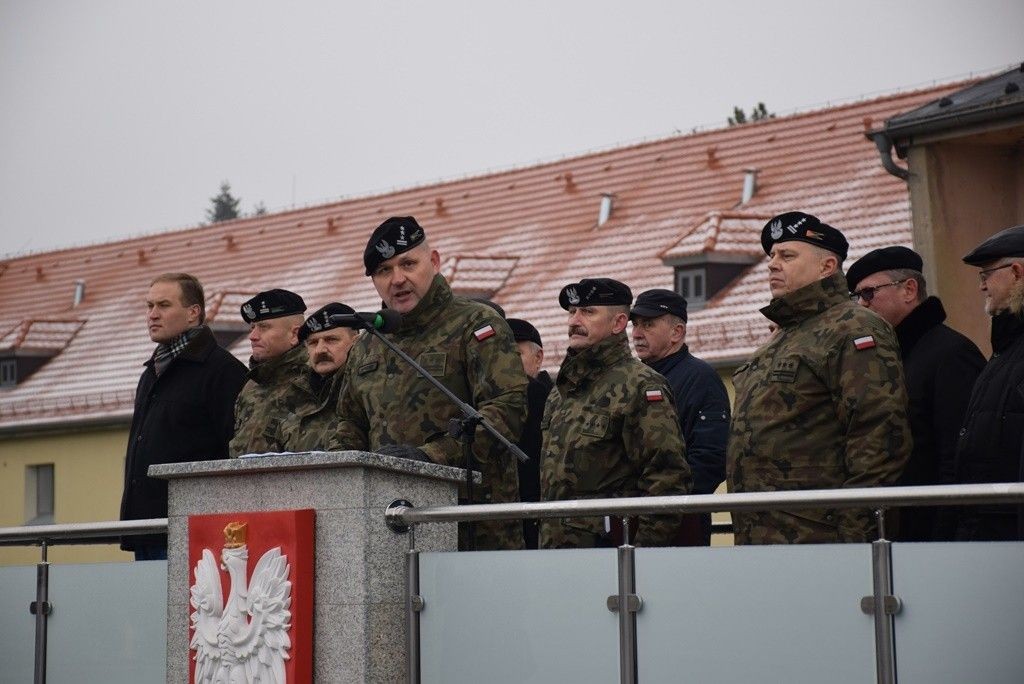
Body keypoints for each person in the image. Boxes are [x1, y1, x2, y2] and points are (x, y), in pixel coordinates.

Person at [324, 216, 527, 551]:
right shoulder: (367, 344)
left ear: (434, 261)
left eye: (408, 264)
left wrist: (428, 457)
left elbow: (506, 411)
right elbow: (348, 423)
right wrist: (340, 470)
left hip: (471, 526)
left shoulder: (475, 325)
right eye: (384, 271)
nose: (397, 280)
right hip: (388, 525)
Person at [727, 212, 911, 544]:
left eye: (787, 256)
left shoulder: (854, 327)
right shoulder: (785, 335)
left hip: (820, 534)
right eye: (772, 256)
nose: (772, 265)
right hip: (764, 532)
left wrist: (856, 537)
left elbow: (878, 435)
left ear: (826, 266)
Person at [539, 278, 692, 549]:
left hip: (612, 554)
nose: (574, 321)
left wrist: (639, 556)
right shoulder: (561, 391)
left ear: (619, 323)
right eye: (572, 312)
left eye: (588, 312)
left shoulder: (640, 385)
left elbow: (667, 479)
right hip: (556, 551)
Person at [847, 246, 984, 540]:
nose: (861, 304)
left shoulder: (951, 354)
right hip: (896, 526)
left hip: (933, 529)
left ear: (909, 290)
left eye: (869, 293)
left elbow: (959, 456)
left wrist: (946, 537)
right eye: (856, 297)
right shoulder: (885, 356)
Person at [120, 273, 247, 560]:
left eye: (164, 305)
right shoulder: (151, 373)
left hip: (195, 533)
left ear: (193, 313)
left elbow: (235, 455)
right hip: (146, 529)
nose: (152, 314)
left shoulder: (223, 371)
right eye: (149, 306)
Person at [630, 288, 729, 545]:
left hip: (681, 522)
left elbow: (711, 457)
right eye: (635, 324)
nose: (637, 333)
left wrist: (670, 502)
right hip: (632, 517)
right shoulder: (631, 381)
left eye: (648, 324)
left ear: (677, 332)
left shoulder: (700, 379)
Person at [955, 224, 1024, 541]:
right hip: (990, 533)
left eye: (986, 275)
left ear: (1017, 272)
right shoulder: (1006, 350)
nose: (982, 286)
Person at [228, 289, 309, 457]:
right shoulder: (251, 386)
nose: (252, 336)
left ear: (295, 334)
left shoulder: (315, 380)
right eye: (252, 327)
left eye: (264, 327)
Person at [280, 303, 361, 452]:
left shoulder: (363, 389)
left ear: (355, 342)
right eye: (313, 342)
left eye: (331, 340)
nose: (320, 350)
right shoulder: (292, 396)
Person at [507, 317, 554, 549]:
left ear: (538, 358)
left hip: (537, 514)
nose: (507, 363)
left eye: (516, 355)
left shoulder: (550, 399)